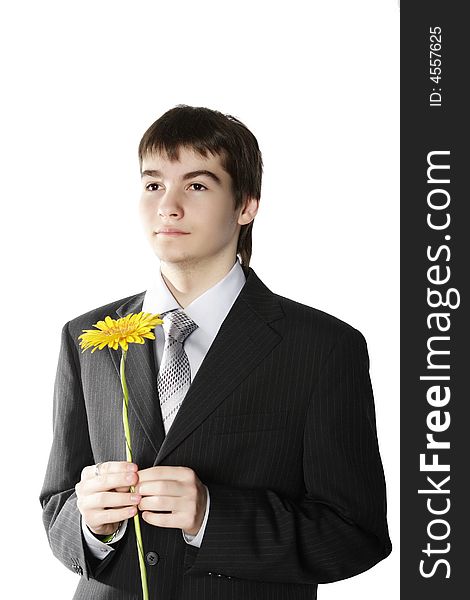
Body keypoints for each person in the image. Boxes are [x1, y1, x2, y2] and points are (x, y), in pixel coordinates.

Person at [40, 105, 392, 599]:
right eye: (153, 184)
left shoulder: (324, 348)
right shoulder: (87, 338)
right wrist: (92, 525)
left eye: (197, 186)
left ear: (246, 205)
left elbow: (356, 535)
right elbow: (56, 507)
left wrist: (211, 516)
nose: (169, 206)